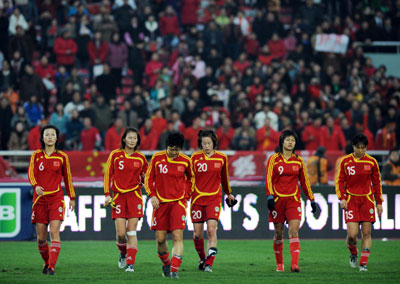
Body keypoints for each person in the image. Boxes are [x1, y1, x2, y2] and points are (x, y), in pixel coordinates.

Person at [265, 129, 317, 272]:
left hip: (293, 200)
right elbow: (268, 179)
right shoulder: (274, 159)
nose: (290, 142)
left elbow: (305, 182)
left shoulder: (299, 160)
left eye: (292, 140)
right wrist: (270, 196)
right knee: (278, 234)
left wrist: (311, 199)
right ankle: (279, 264)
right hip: (277, 200)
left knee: (294, 231)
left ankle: (294, 265)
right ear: (282, 142)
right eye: (288, 140)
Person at [144, 132, 193, 279]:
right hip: (160, 204)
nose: (173, 152)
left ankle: (174, 270)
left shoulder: (185, 160)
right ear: (166, 146)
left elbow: (191, 178)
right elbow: (148, 178)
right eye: (171, 149)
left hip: (178, 203)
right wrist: (152, 195)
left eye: (177, 150)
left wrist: (187, 194)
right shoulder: (157, 158)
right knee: (160, 240)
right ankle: (166, 263)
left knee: (178, 236)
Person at [28, 125, 76, 275]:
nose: (49, 137)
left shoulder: (62, 157)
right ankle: (47, 262)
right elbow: (31, 173)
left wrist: (72, 197)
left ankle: (51, 267)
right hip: (40, 200)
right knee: (41, 239)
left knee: (54, 231)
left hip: (56, 198)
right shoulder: (36, 155)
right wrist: (35, 186)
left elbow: (68, 178)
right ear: (42, 138)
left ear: (56, 138)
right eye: (47, 134)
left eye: (52, 134)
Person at [335, 133, 383, 272]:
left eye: (363, 147)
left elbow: (377, 183)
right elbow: (339, 181)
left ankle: (363, 264)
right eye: (358, 147)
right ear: (353, 147)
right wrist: (342, 198)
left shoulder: (372, 162)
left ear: (366, 148)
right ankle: (353, 253)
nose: (360, 150)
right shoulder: (345, 161)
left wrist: (379, 202)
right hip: (351, 200)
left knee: (367, 233)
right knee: (352, 235)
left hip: (367, 200)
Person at [190, 130, 236, 272]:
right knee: (197, 234)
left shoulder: (221, 158)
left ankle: (209, 263)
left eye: (209, 143)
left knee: (211, 230)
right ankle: (203, 258)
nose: (206, 146)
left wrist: (229, 194)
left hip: (214, 198)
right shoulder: (194, 158)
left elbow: (224, 178)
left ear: (214, 143)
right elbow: (189, 178)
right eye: (204, 143)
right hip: (197, 198)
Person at [104, 128, 148, 272]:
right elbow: (108, 175)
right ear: (124, 139)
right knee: (121, 234)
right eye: (129, 138)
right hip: (118, 197)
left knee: (131, 231)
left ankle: (130, 264)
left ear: (137, 141)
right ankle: (123, 254)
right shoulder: (115, 155)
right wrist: (107, 194)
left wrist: (151, 190)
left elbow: (146, 178)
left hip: (134, 197)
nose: (132, 140)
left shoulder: (140, 158)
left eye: (134, 138)